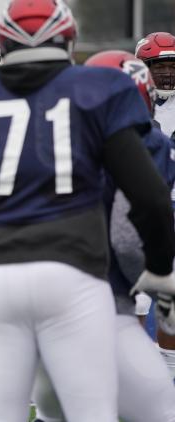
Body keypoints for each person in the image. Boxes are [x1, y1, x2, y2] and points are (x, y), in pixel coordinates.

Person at [0, 1, 175, 421]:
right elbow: (149, 198)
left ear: (4, 42)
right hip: (74, 270)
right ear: (68, 39)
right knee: (90, 412)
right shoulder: (100, 88)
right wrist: (163, 271)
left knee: (3, 414)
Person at [31, 49, 175, 422]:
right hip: (101, 303)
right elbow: (128, 237)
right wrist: (159, 276)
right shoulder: (145, 140)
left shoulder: (46, 137)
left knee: (53, 411)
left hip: (34, 302)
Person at [136, 31, 175, 379]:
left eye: (171, 66)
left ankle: (167, 381)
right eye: (158, 66)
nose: (166, 73)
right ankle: (127, 375)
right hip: (139, 212)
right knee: (136, 299)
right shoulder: (131, 104)